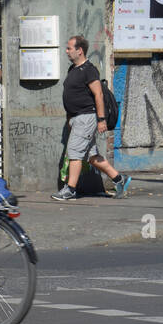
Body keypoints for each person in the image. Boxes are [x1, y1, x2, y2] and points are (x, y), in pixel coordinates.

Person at [51, 35, 130, 200]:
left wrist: (101, 119)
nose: (66, 51)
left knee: (74, 152)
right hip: (77, 118)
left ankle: (70, 189)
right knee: (92, 157)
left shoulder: (89, 69)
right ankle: (119, 179)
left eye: (69, 48)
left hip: (87, 116)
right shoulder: (73, 69)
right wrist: (70, 118)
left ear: (79, 51)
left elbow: (98, 94)